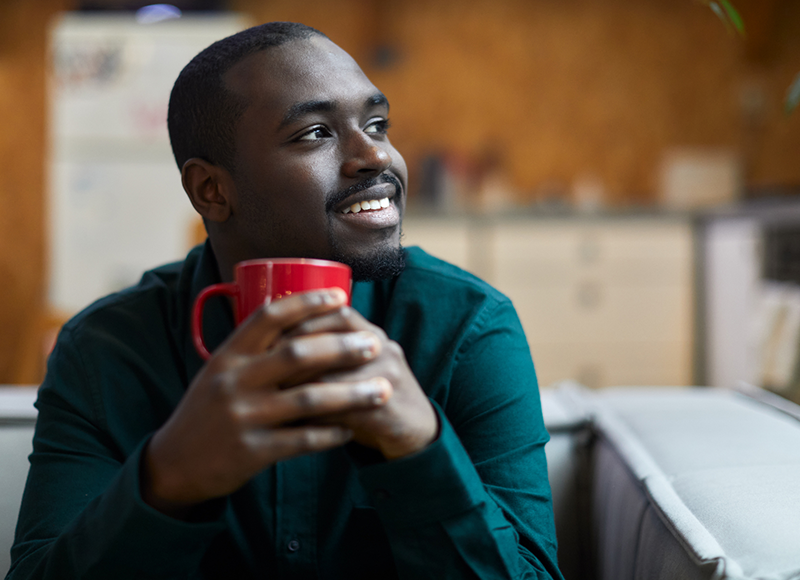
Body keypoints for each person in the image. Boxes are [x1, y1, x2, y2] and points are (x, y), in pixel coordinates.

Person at [7, 22, 563, 580]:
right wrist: (170, 477)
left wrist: (421, 447)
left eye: (377, 124)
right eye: (316, 133)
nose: (376, 155)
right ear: (211, 191)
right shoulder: (106, 351)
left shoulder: (469, 329)